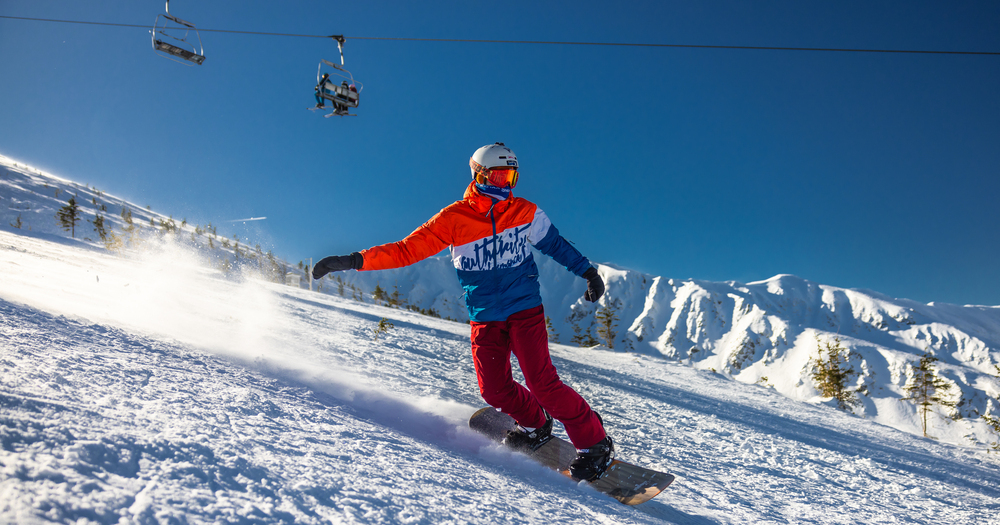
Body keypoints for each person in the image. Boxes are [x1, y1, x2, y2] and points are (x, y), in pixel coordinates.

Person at [312, 143, 614, 481]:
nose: (505, 185)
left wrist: (588, 272)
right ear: (479, 175)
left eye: (511, 178)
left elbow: (556, 244)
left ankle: (595, 443)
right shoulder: (454, 218)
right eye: (498, 177)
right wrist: (355, 260)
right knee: (494, 389)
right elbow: (407, 250)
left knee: (542, 383)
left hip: (524, 309)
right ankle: (535, 423)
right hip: (485, 315)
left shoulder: (525, 211)